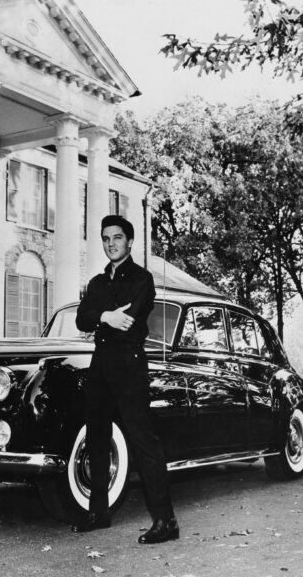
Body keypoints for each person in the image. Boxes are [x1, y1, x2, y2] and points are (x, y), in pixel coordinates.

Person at [71, 214, 179, 544]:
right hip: (100, 364)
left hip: (129, 365)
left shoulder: (143, 279)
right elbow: (81, 319)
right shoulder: (97, 283)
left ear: (129, 241)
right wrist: (106, 315)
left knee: (143, 439)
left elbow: (128, 321)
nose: (111, 244)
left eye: (117, 238)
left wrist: (103, 316)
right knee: (97, 438)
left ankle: (166, 520)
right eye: (105, 239)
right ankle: (99, 512)